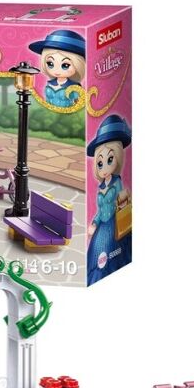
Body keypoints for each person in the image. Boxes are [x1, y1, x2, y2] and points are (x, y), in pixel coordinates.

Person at [86, 114, 132, 282]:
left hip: (113, 224)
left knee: (108, 253)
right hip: (102, 226)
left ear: (117, 158)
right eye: (100, 163)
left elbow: (120, 202)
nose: (104, 168)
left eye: (109, 160)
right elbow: (100, 211)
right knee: (96, 255)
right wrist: (94, 223)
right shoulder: (101, 187)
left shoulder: (117, 183)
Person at [29, 30, 86, 109]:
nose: (56, 70)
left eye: (65, 65)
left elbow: (78, 105)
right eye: (50, 64)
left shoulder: (74, 87)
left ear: (78, 64)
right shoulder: (50, 83)